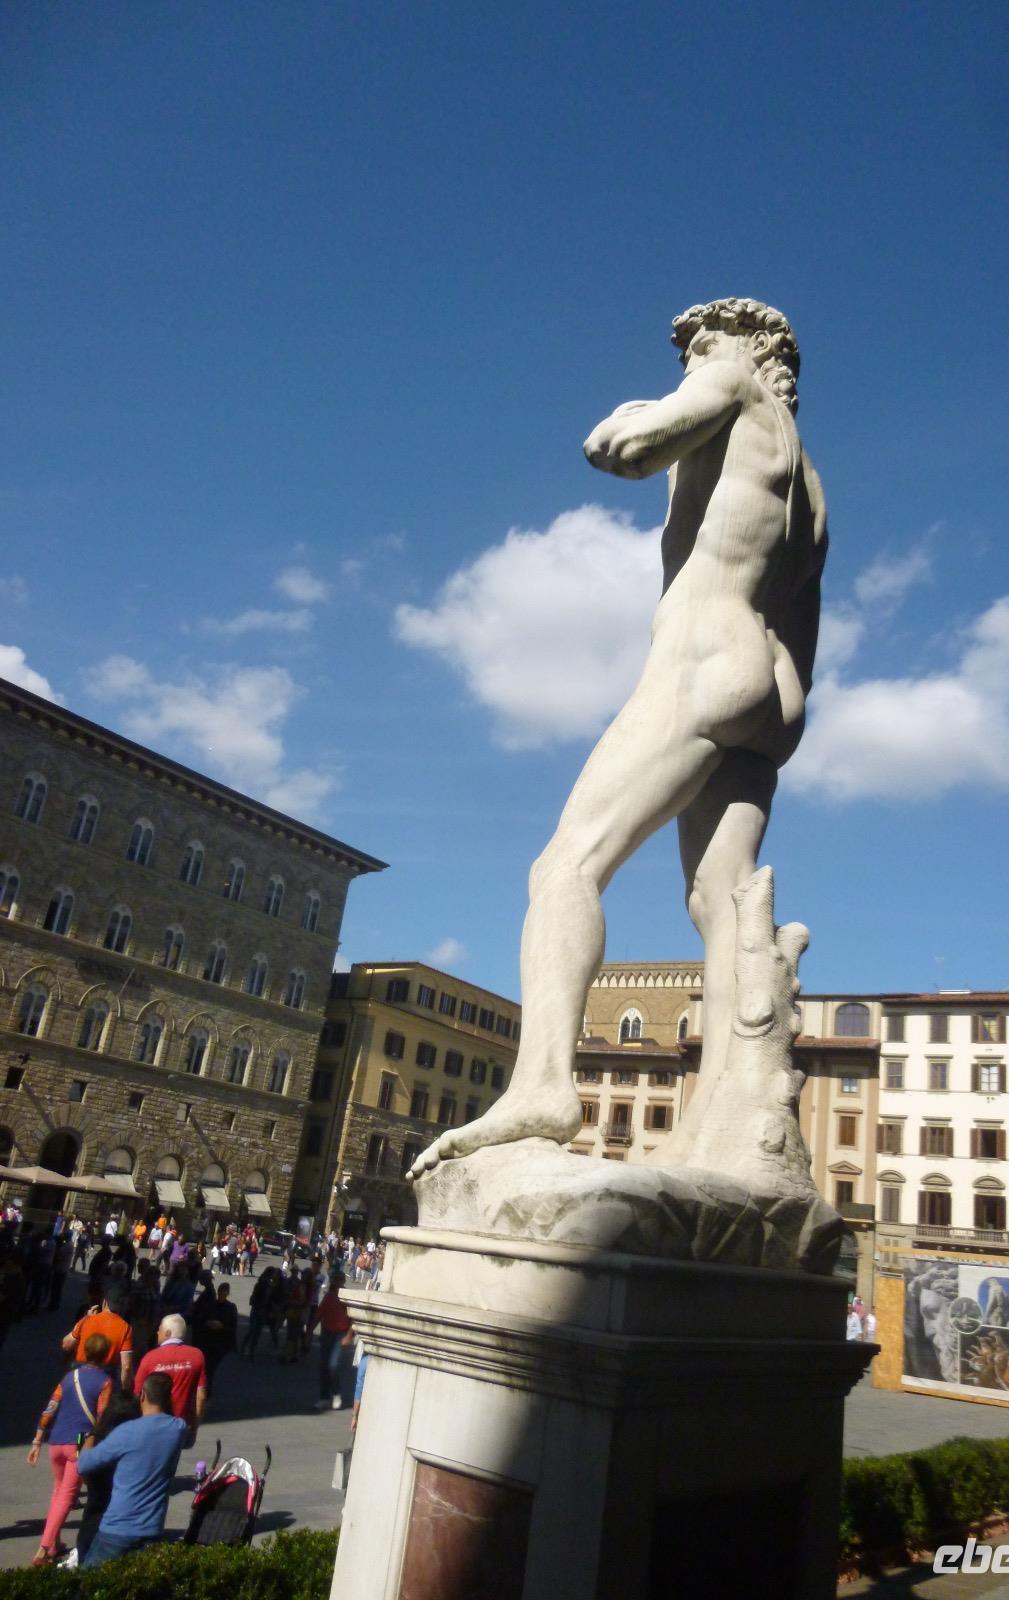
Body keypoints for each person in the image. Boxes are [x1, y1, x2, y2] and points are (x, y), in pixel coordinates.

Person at [410, 298, 826, 1178]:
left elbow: (623, 453)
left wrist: (630, 416)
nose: (690, 358)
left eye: (700, 344)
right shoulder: (808, 478)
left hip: (704, 657)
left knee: (565, 866)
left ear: (749, 350)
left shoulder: (729, 384)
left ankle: (543, 1086)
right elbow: (802, 620)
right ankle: (728, 1117)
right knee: (725, 910)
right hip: (773, 693)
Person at [76, 1370, 186, 1567]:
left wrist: (91, 1437)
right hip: (152, 1528)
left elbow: (84, 1464)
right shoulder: (177, 1428)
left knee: (86, 1587)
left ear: (142, 1395)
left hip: (117, 1527)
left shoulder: (126, 1432)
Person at [27, 1332, 113, 1565]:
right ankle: (43, 1549)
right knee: (67, 1495)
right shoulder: (105, 1382)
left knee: (58, 1492)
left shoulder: (69, 1377)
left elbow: (50, 1407)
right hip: (78, 1442)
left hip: (56, 1440)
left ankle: (54, 1543)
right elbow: (102, 1416)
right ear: (106, 1355)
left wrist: (37, 1440)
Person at [133, 1313, 207, 1443]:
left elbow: (137, 1393)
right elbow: (201, 1396)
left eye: (159, 1329)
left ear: (167, 1333)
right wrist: (195, 1427)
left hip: (153, 1425)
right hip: (182, 1424)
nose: (157, 1332)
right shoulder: (197, 1356)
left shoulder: (150, 1358)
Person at [63, 1292, 134, 1390]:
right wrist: (124, 1389)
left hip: (80, 1372)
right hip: (106, 1376)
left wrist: (85, 1318)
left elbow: (66, 1345)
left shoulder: (87, 1320)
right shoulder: (125, 1328)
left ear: (104, 1302)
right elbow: (126, 1366)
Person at [315, 1272, 352, 1409]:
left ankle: (336, 1393)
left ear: (342, 1281)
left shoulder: (347, 1296)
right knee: (323, 1365)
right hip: (326, 1333)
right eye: (334, 1279)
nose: (336, 1282)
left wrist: (349, 1335)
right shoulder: (329, 1296)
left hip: (340, 1334)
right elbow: (320, 1313)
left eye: (338, 1279)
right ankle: (324, 1397)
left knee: (333, 1365)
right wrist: (309, 1330)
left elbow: (353, 1318)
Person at [193, 1281, 237, 1390]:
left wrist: (221, 1327)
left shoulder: (231, 1307)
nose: (222, 1294)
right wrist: (207, 1323)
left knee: (211, 1367)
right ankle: (204, 1386)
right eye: (221, 1292)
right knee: (205, 1366)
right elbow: (200, 1320)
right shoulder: (210, 1305)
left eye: (224, 1292)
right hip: (207, 1339)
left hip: (220, 1342)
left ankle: (206, 1387)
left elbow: (233, 1326)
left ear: (227, 1293)